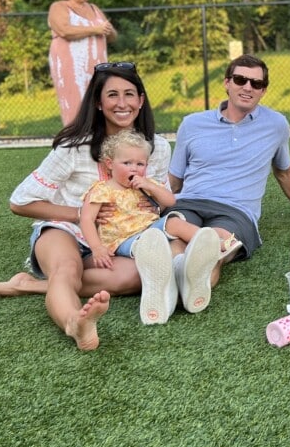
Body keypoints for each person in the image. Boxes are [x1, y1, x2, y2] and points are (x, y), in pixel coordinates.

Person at [0, 63, 170, 350]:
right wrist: (76, 215)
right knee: (66, 268)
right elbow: (19, 202)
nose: (122, 103)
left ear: (141, 100)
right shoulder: (73, 147)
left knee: (137, 275)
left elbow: (160, 199)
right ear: (98, 103)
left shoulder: (157, 147)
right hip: (65, 229)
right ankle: (75, 322)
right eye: (112, 95)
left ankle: (27, 285)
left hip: (118, 238)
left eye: (129, 94)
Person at [129, 53, 290, 318]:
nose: (248, 87)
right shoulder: (192, 124)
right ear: (227, 83)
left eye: (256, 83)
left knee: (215, 248)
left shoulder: (276, 125)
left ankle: (173, 290)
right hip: (189, 201)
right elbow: (175, 179)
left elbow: (284, 171)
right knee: (177, 243)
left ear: (263, 90)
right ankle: (173, 286)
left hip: (236, 211)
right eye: (241, 79)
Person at [78, 130, 242, 324]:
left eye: (140, 164)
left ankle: (213, 243)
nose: (134, 169)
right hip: (124, 239)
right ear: (109, 164)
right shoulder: (101, 190)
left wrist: (151, 187)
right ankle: (159, 279)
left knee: (174, 222)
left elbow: (170, 201)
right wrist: (97, 248)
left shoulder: (145, 185)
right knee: (150, 244)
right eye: (127, 163)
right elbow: (86, 220)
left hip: (150, 227)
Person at [48, 0, 118, 125]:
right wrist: (95, 29)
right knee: (76, 106)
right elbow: (64, 30)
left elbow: (112, 35)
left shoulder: (94, 8)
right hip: (71, 67)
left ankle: (98, 143)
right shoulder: (59, 7)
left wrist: (108, 30)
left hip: (97, 68)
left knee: (99, 105)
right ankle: (75, 143)